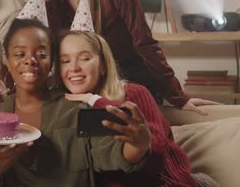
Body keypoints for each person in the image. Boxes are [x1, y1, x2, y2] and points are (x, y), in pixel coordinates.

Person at [19, 0, 219, 114]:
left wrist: (178, 97)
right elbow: (50, 53)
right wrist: (38, 9)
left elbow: (146, 44)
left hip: (128, 80)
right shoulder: (49, 0)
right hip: (83, 83)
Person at [0, 19, 151, 186]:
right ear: (7, 61)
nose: (30, 60)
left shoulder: (77, 110)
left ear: (51, 63)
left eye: (41, 54)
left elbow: (112, 154)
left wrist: (138, 144)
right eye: (19, 54)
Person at [59, 30, 219, 187]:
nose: (74, 68)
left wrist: (95, 100)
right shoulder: (61, 108)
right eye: (65, 61)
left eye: (84, 58)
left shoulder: (133, 92)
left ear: (103, 66)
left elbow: (156, 152)